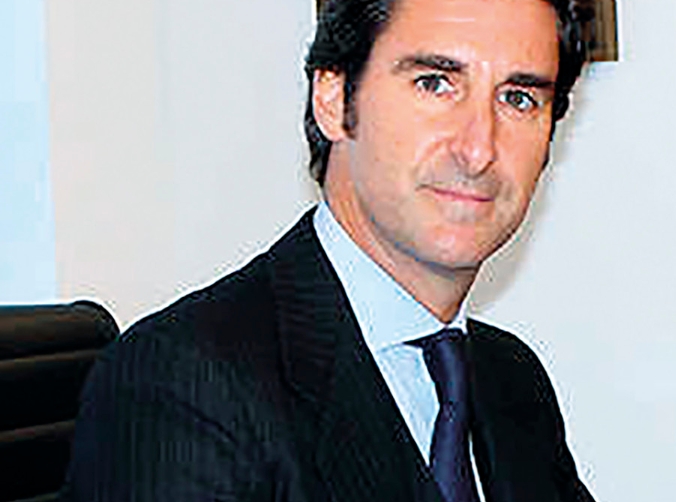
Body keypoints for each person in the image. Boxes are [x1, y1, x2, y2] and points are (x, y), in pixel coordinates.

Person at [61, 0, 595, 500]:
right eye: (435, 83)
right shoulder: (181, 383)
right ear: (333, 101)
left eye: (518, 98)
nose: (478, 149)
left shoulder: (510, 379)